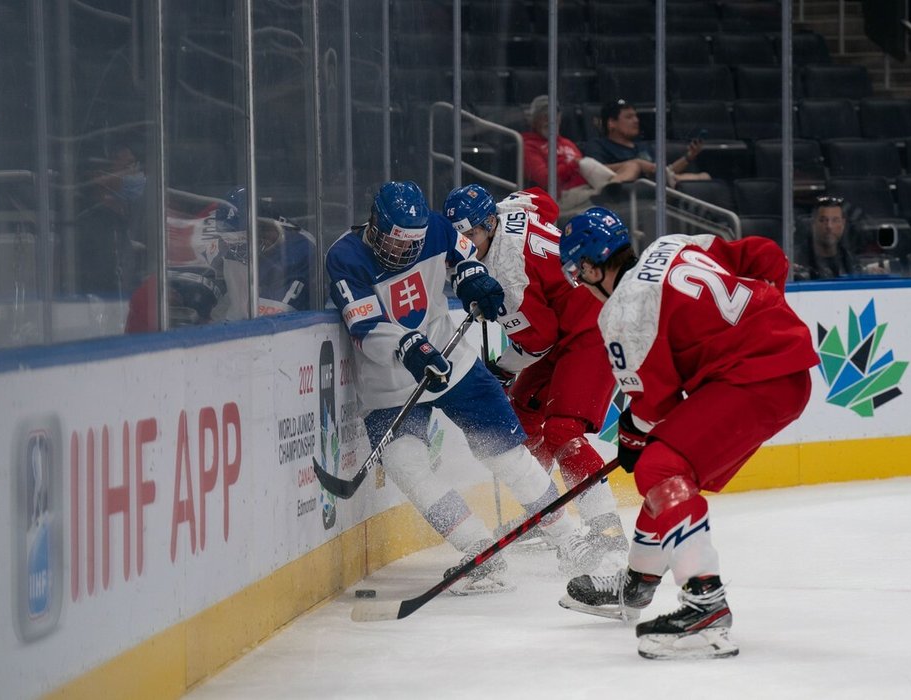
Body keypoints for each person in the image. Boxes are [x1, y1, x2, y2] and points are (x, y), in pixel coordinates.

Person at [557, 208, 818, 660]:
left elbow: (655, 407)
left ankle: (705, 605)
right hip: (782, 365)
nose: (580, 283)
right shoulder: (674, 244)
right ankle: (637, 586)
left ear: (594, 266)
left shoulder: (622, 314)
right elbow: (765, 254)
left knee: (660, 466)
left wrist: (632, 438)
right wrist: (766, 322)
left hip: (756, 377)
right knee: (666, 468)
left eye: (579, 272)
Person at [325, 181, 600, 595]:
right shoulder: (345, 256)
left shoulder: (434, 227)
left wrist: (473, 278)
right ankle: (479, 550)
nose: (405, 254)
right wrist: (408, 346)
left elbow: (465, 255)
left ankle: (569, 539)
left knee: (507, 454)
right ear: (376, 224)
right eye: (396, 244)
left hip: (454, 363)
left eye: (412, 245)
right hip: (390, 383)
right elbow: (363, 324)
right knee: (406, 466)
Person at [442, 184, 628, 559]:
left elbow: (538, 342)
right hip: (565, 322)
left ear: (490, 225)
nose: (465, 243)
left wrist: (501, 368)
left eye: (472, 234)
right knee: (522, 417)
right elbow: (544, 201)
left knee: (562, 430)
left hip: (592, 327)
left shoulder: (509, 276)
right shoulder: (507, 209)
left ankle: (606, 527)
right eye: (458, 235)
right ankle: (545, 511)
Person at [125, 187, 316, 332]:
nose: (238, 247)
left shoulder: (298, 249)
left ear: (261, 225)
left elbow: (272, 319)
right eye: (233, 239)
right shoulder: (236, 248)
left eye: (242, 238)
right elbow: (232, 306)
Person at [521, 95, 639, 224]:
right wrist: (572, 165)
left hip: (584, 189)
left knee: (630, 177)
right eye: (544, 116)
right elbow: (546, 180)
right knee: (607, 207)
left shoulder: (567, 143)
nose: (550, 120)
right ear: (534, 120)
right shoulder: (528, 145)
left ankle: (609, 190)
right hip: (559, 197)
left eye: (554, 115)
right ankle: (607, 193)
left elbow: (582, 170)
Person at [583, 99, 710, 189]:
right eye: (629, 117)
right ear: (612, 123)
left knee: (704, 177)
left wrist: (689, 157)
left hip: (655, 186)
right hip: (626, 193)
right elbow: (595, 170)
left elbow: (663, 172)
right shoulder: (598, 145)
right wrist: (635, 164)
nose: (636, 120)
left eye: (636, 116)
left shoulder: (643, 146)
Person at [75, 143, 146, 296]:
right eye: (128, 166)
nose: (136, 173)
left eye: (136, 166)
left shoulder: (124, 220)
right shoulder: (91, 227)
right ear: (99, 178)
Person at [794, 195, 861, 280]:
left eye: (835, 220)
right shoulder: (796, 261)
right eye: (823, 220)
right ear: (813, 223)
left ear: (843, 224)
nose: (829, 226)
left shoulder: (851, 262)